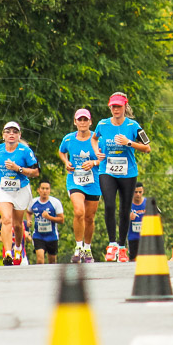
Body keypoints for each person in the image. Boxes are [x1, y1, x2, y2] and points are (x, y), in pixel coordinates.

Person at [93, 92, 151, 263]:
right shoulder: (102, 124)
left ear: (125, 107)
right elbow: (94, 139)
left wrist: (128, 142)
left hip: (128, 173)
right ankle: (112, 245)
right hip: (107, 171)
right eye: (113, 106)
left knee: (125, 210)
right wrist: (97, 152)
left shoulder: (133, 126)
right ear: (110, 107)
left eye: (119, 106)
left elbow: (147, 148)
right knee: (109, 205)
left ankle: (122, 247)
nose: (116, 109)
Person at [0, 121, 41, 266]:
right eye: (8, 132)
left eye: (15, 132)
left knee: (18, 224)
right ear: (3, 135)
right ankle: (8, 253)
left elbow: (36, 172)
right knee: (6, 219)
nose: (11, 134)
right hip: (2, 188)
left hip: (21, 189)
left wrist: (18, 169)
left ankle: (19, 247)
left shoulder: (25, 151)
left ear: (19, 135)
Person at [58, 108, 101, 264]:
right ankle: (78, 247)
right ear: (75, 122)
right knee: (79, 212)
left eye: (85, 120)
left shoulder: (97, 138)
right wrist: (66, 162)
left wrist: (94, 162)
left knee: (89, 218)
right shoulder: (68, 139)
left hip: (94, 181)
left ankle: (87, 249)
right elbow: (61, 152)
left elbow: (106, 157)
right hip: (75, 180)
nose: (82, 123)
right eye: (79, 120)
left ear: (90, 122)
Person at [29, 180, 65, 264]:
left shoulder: (55, 203)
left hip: (52, 236)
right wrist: (29, 220)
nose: (44, 191)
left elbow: (61, 220)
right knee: (40, 259)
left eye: (47, 189)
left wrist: (49, 217)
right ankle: (40, 276)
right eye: (43, 188)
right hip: (38, 235)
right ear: (38, 190)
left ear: (50, 190)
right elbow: (28, 212)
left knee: (52, 261)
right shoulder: (33, 202)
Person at [126, 183, 158, 258]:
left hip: (146, 237)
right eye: (136, 192)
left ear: (143, 192)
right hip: (132, 237)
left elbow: (157, 217)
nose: (138, 194)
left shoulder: (148, 203)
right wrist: (128, 217)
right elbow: (121, 220)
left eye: (140, 192)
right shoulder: (127, 204)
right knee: (133, 259)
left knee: (148, 258)